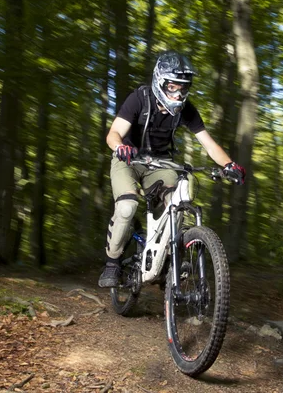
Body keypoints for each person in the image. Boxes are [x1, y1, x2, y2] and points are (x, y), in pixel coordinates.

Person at [99, 51, 246, 288]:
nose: (178, 93)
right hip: (128, 160)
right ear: (160, 82)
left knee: (180, 199)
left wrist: (229, 164)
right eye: (173, 87)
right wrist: (120, 147)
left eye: (183, 88)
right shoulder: (139, 99)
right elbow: (113, 133)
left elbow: (208, 144)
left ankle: (169, 258)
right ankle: (112, 263)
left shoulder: (187, 110)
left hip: (160, 164)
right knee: (127, 206)